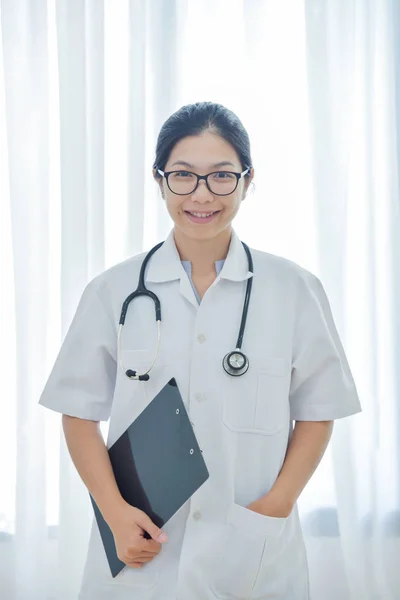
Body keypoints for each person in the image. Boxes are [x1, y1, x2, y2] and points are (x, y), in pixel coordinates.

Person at [39, 101, 362, 600]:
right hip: (142, 551)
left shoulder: (294, 289)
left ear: (248, 181)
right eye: (184, 176)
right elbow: (77, 413)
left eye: (222, 177)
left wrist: (274, 507)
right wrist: (115, 512)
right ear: (160, 180)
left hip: (252, 554)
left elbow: (318, 412)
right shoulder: (114, 290)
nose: (202, 195)